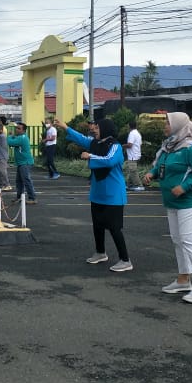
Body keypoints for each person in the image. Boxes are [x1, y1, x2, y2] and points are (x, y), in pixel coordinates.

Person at [144, 112, 192, 304]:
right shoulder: (169, 147)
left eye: (168, 122)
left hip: (189, 202)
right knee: (178, 240)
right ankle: (184, 279)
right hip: (172, 202)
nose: (165, 126)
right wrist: (152, 174)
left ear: (178, 126)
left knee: (190, 240)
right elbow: (161, 167)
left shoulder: (190, 147)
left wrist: (185, 186)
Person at [55, 117, 133, 272]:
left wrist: (90, 156)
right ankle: (100, 252)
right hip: (98, 192)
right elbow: (81, 138)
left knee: (114, 228)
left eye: (97, 128)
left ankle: (125, 260)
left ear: (104, 129)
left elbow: (109, 161)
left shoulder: (115, 146)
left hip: (113, 194)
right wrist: (65, 127)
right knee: (97, 225)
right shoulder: (95, 143)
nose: (94, 130)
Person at [8, 122, 37, 204]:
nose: (16, 130)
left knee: (26, 180)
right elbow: (13, 143)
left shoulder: (22, 138)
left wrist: (10, 136)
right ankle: (19, 197)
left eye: (19, 128)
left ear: (23, 130)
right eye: (16, 128)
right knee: (19, 181)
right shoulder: (20, 137)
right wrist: (13, 137)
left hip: (25, 162)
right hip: (21, 162)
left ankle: (32, 198)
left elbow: (10, 142)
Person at [124, 120, 145, 192]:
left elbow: (130, 145)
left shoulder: (132, 133)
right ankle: (129, 184)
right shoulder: (138, 133)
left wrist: (122, 146)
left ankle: (139, 185)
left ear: (129, 126)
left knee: (133, 170)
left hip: (133, 155)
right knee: (131, 170)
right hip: (137, 154)